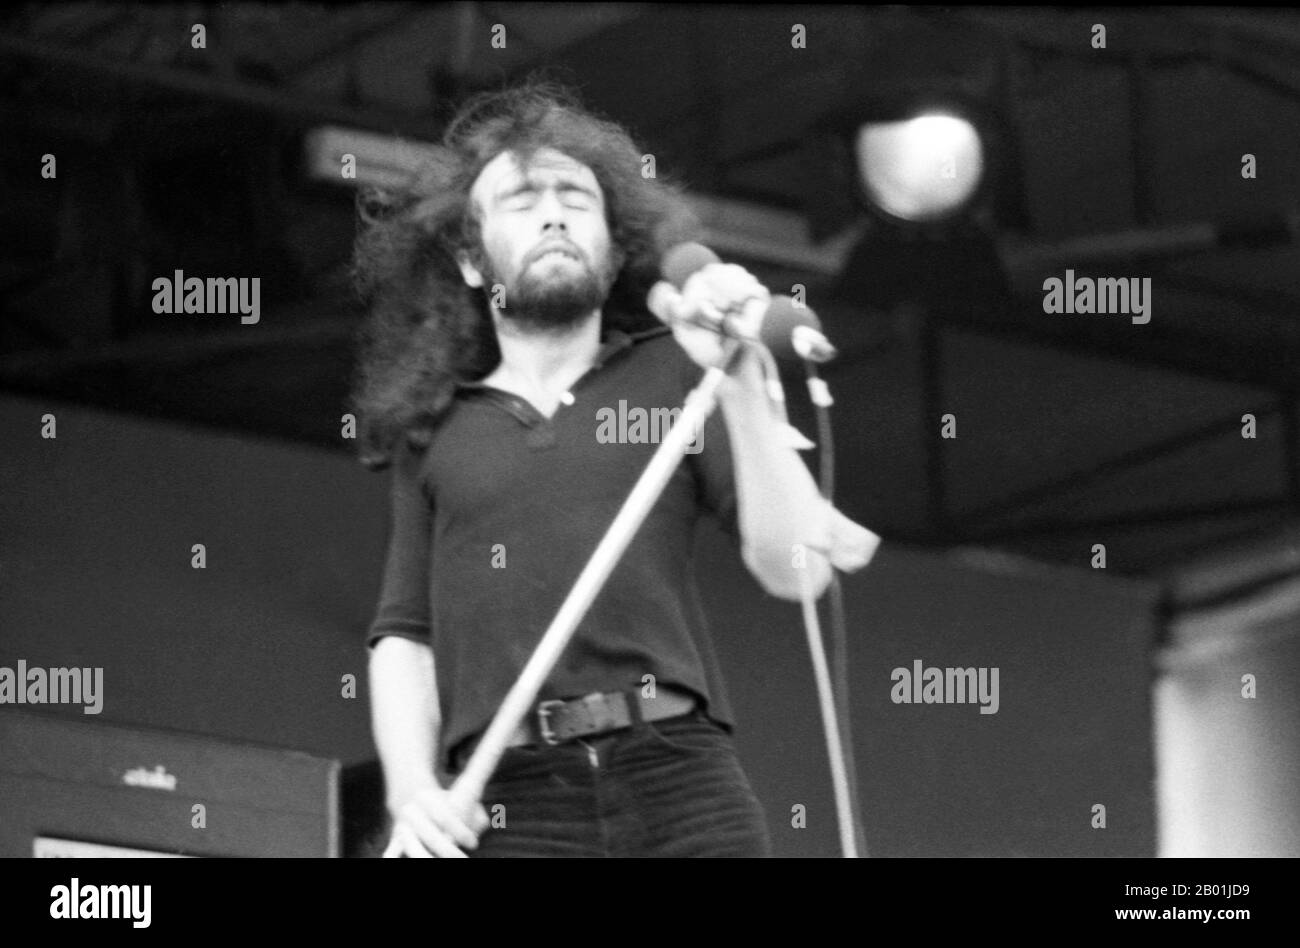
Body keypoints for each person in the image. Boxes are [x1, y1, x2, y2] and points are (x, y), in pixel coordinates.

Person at [349, 81, 879, 858]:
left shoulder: (680, 374)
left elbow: (796, 570)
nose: (556, 213)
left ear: (617, 247)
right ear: (469, 257)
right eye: (524, 199)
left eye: (576, 197)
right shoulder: (435, 429)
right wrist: (410, 791)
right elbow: (405, 636)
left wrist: (739, 387)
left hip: (680, 777)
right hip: (511, 801)